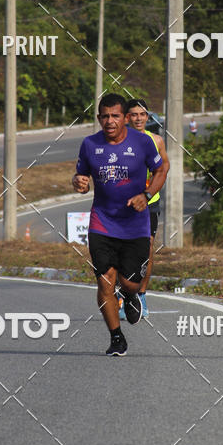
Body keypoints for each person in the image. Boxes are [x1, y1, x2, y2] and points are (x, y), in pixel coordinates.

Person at [72, 93, 167, 356]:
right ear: (98, 118)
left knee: (129, 283)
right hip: (102, 222)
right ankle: (116, 338)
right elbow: (81, 177)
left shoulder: (143, 142)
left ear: (125, 118)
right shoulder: (90, 144)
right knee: (105, 283)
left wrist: (147, 195)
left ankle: (132, 295)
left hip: (135, 224)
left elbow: (160, 170)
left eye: (115, 116)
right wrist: (78, 182)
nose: (110, 121)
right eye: (105, 116)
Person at [122, 98, 170, 319]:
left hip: (149, 203)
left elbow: (164, 168)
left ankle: (141, 296)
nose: (138, 118)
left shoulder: (157, 140)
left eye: (142, 114)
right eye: (134, 114)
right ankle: (125, 296)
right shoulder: (118, 140)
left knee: (147, 250)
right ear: (127, 118)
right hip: (123, 204)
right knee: (123, 251)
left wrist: (150, 191)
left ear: (148, 117)